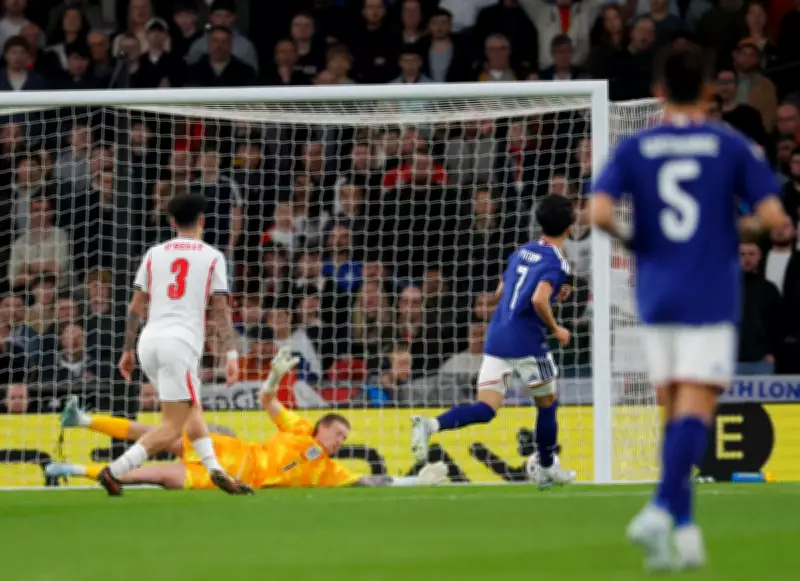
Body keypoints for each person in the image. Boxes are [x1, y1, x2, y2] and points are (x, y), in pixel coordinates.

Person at [591, 44, 789, 571]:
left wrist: (638, 241)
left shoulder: (637, 144)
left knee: (672, 409)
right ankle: (659, 508)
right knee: (696, 410)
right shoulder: (730, 145)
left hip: (655, 291)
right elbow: (774, 218)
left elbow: (599, 211)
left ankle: (684, 532)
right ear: (709, 91)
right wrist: (730, 229)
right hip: (708, 291)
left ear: (657, 93)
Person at [48, 349, 448, 489]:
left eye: (344, 438)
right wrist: (275, 375)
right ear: (322, 426)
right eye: (338, 433)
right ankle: (82, 419)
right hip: (231, 452)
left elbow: (370, 480)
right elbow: (267, 398)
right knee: (159, 434)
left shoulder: (328, 472)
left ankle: (76, 468)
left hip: (229, 479)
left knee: (159, 475)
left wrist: (415, 478)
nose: (341, 441)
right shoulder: (296, 427)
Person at [410, 194, 577, 488]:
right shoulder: (558, 261)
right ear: (569, 227)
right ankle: (548, 467)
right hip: (526, 342)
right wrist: (557, 328)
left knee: (486, 408)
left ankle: (431, 424)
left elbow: (501, 292)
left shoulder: (522, 251)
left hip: (497, 337)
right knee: (547, 404)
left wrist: (550, 294)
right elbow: (538, 299)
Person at [99, 193, 250, 497]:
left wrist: (127, 350)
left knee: (192, 410)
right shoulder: (212, 256)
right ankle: (114, 471)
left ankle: (216, 471)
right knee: (171, 426)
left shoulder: (155, 253)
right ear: (202, 222)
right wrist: (231, 353)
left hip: (149, 342)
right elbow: (221, 309)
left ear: (172, 222)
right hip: (178, 344)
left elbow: (136, 305)